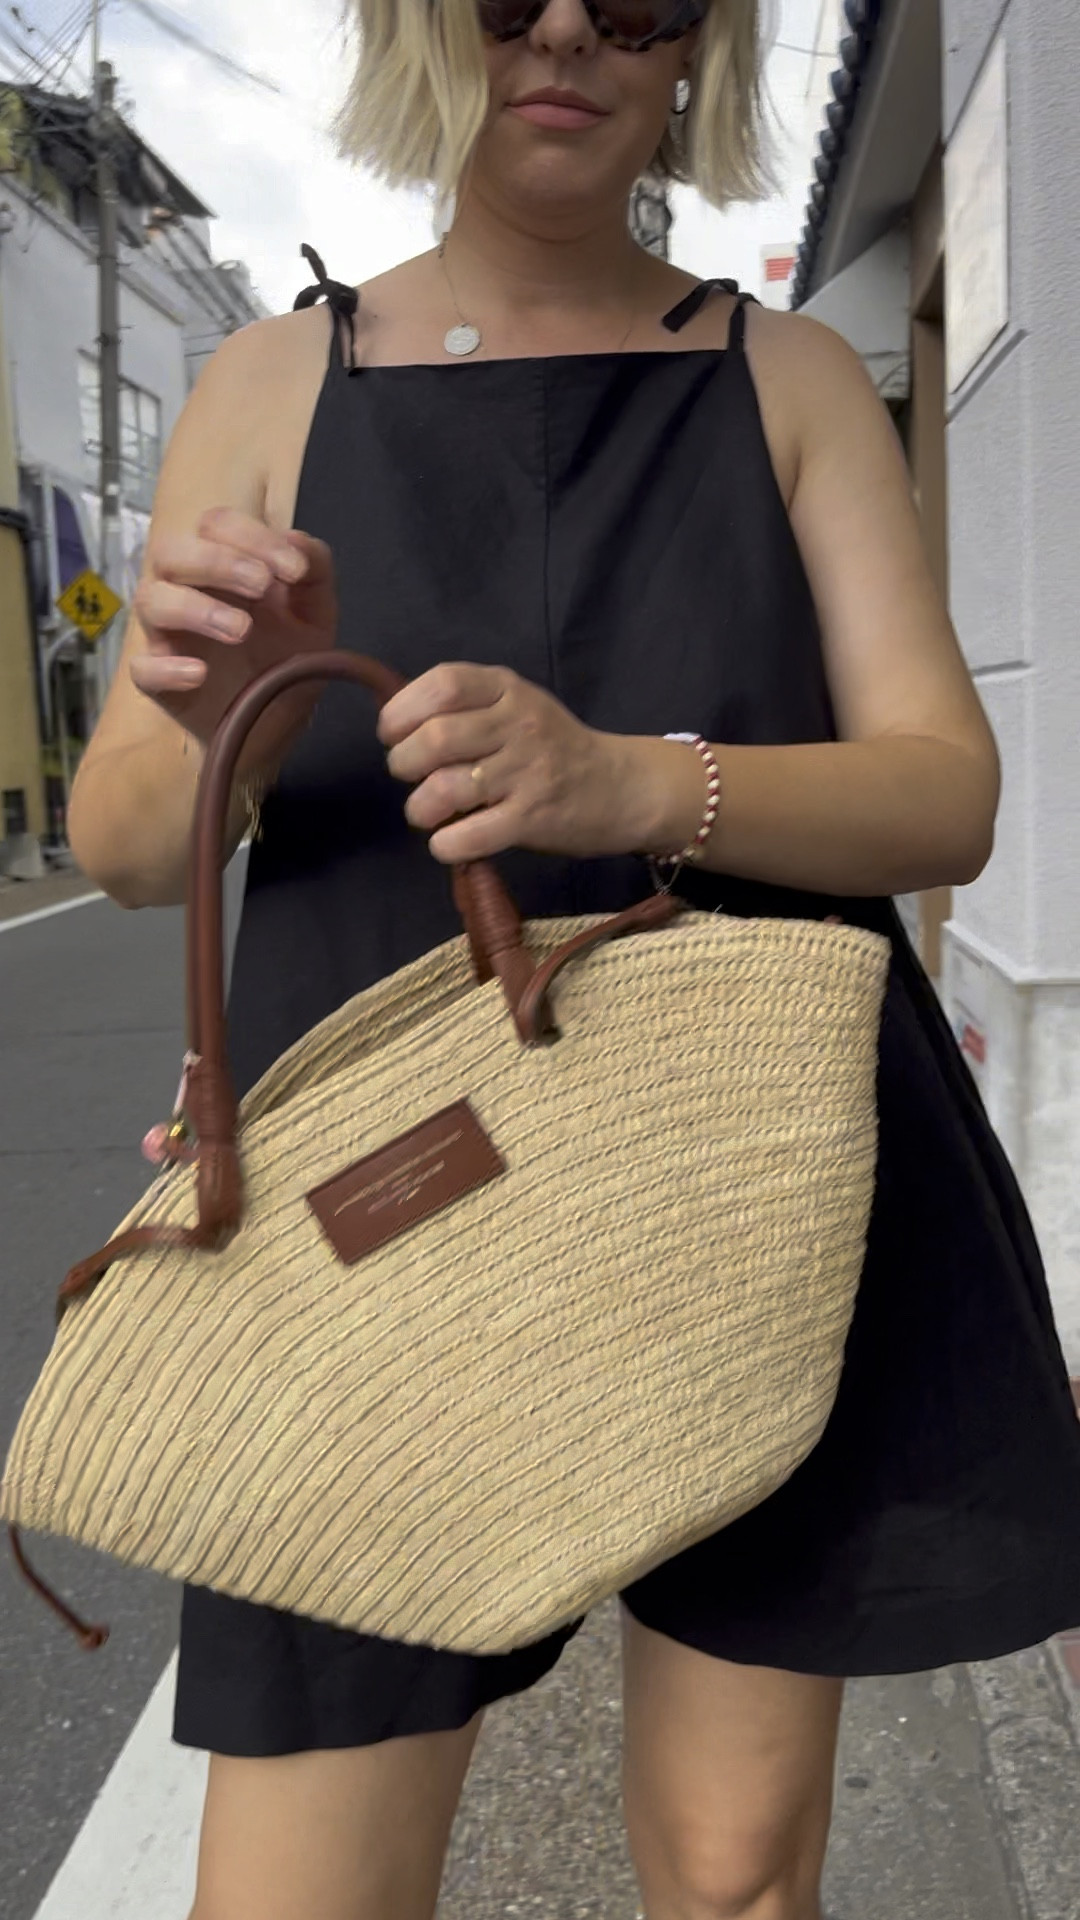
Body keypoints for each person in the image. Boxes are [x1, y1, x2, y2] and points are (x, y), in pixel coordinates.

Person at [66, 1, 1080, 1916]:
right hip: (382, 1203)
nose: (565, 35)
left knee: (731, 1874)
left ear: (697, 48)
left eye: (634, 1)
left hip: (752, 1169)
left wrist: (628, 780)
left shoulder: (779, 375)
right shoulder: (272, 381)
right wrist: (241, 714)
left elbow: (947, 794)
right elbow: (130, 842)